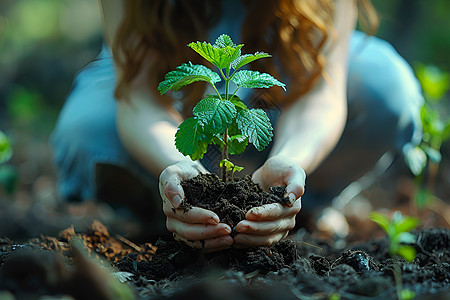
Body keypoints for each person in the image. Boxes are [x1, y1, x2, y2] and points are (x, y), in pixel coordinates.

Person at [50, 0, 423, 250]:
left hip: (283, 93)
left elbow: (320, 96)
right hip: (164, 97)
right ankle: (172, 205)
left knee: (385, 88)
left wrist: (293, 159)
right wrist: (185, 171)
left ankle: (297, 199)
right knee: (88, 129)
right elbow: (141, 99)